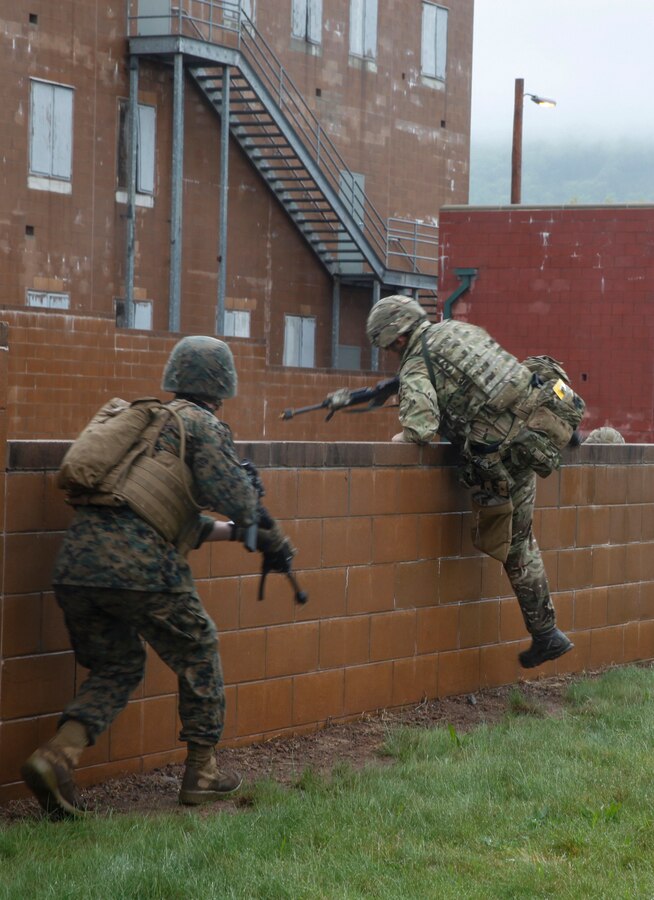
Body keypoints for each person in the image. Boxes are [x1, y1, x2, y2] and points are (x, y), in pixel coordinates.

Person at [21, 336, 292, 818]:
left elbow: (160, 512)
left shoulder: (146, 428)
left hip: (77, 567)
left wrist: (241, 536)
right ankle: (203, 773)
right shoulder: (202, 424)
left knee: (119, 666)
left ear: (175, 377)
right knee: (199, 648)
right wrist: (265, 527)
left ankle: (56, 756)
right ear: (221, 384)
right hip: (141, 565)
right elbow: (239, 500)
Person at [363, 295, 583, 670]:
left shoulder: (418, 363)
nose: (389, 353)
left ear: (397, 339)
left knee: (515, 547)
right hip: (532, 431)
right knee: (524, 539)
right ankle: (548, 633)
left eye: (387, 346)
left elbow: (420, 429)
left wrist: (395, 441)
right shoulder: (459, 329)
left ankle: (547, 635)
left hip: (502, 456)